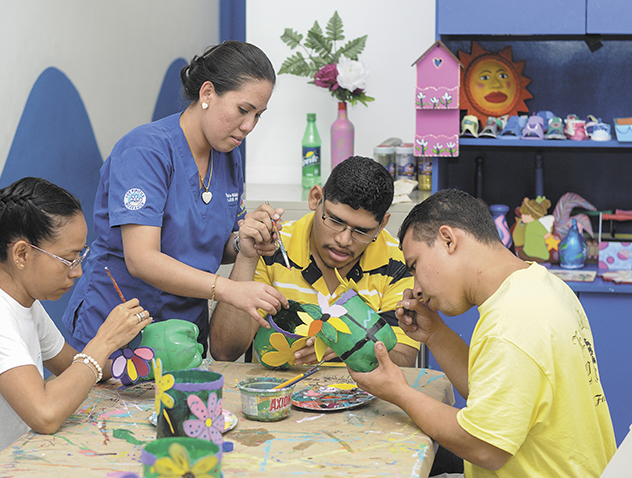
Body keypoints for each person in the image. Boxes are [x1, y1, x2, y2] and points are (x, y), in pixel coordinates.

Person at [350, 188, 616, 477]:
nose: (415, 287)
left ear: (448, 240)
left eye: (415, 265)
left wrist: (398, 392)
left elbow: (484, 446)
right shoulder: (541, 285)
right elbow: (497, 396)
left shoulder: (512, 321)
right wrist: (436, 334)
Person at [62, 41, 286, 355]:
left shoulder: (228, 155)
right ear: (207, 93)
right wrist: (228, 290)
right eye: (243, 110)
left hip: (183, 334)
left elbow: (206, 242)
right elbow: (141, 259)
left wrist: (243, 242)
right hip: (119, 325)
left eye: (258, 115)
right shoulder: (146, 151)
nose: (248, 126)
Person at [0, 178, 153, 478]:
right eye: (69, 259)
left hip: (20, 460)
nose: (78, 271)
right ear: (21, 254)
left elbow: (73, 367)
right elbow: (45, 414)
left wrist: (139, 362)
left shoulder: (25, 303)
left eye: (81, 256)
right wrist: (104, 340)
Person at [210, 156, 419, 367]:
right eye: (335, 221)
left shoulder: (399, 263)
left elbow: (404, 360)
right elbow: (224, 352)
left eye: (362, 231)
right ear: (315, 198)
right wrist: (247, 258)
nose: (343, 240)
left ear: (382, 224)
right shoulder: (272, 248)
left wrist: (346, 347)